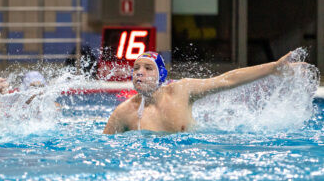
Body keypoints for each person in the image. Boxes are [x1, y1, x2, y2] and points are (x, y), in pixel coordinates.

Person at [103, 51, 296, 134]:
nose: (139, 73)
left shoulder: (181, 91)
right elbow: (103, 146)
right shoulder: (123, 113)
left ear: (161, 75)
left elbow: (227, 80)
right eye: (136, 68)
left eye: (147, 68)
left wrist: (273, 68)